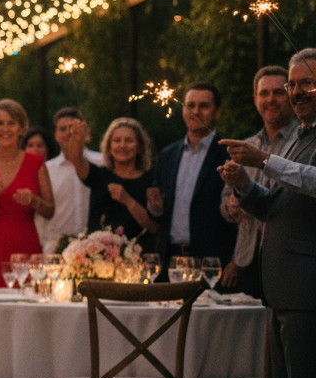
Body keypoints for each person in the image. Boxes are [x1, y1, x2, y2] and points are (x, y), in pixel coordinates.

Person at [219, 48, 316, 378]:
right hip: (278, 287)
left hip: (307, 286)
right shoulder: (298, 137)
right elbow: (275, 208)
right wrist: (243, 185)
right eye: (293, 84)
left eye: (305, 83)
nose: (297, 92)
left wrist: (265, 161)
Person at [220, 66, 297, 299]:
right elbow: (224, 206)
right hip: (247, 262)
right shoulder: (245, 146)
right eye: (264, 93)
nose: (270, 99)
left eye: (278, 92)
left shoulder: (303, 143)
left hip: (288, 260)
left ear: (291, 96)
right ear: (255, 100)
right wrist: (233, 204)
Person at [0, 100, 53, 290]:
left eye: (11, 123)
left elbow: (50, 210)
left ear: (22, 128)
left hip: (25, 244)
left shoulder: (36, 163)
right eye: (0, 123)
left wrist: (34, 201)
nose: (5, 129)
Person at [156, 82, 237, 284]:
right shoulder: (167, 155)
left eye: (204, 106)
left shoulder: (230, 154)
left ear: (217, 112)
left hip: (213, 264)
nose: (196, 111)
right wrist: (154, 207)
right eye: (190, 105)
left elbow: (242, 213)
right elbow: (160, 213)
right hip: (170, 262)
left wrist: (237, 261)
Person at [71, 117, 161, 251]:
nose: (122, 145)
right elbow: (77, 160)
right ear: (109, 147)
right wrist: (78, 139)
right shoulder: (99, 175)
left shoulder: (151, 180)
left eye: (129, 141)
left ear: (139, 147)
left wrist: (127, 200)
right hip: (97, 259)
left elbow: (153, 226)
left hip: (137, 260)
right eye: (117, 141)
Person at [40, 107, 105, 254]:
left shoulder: (102, 162)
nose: (69, 133)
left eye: (73, 128)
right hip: (56, 251)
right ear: (55, 135)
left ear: (84, 131)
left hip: (96, 250)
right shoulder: (46, 170)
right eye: (63, 129)